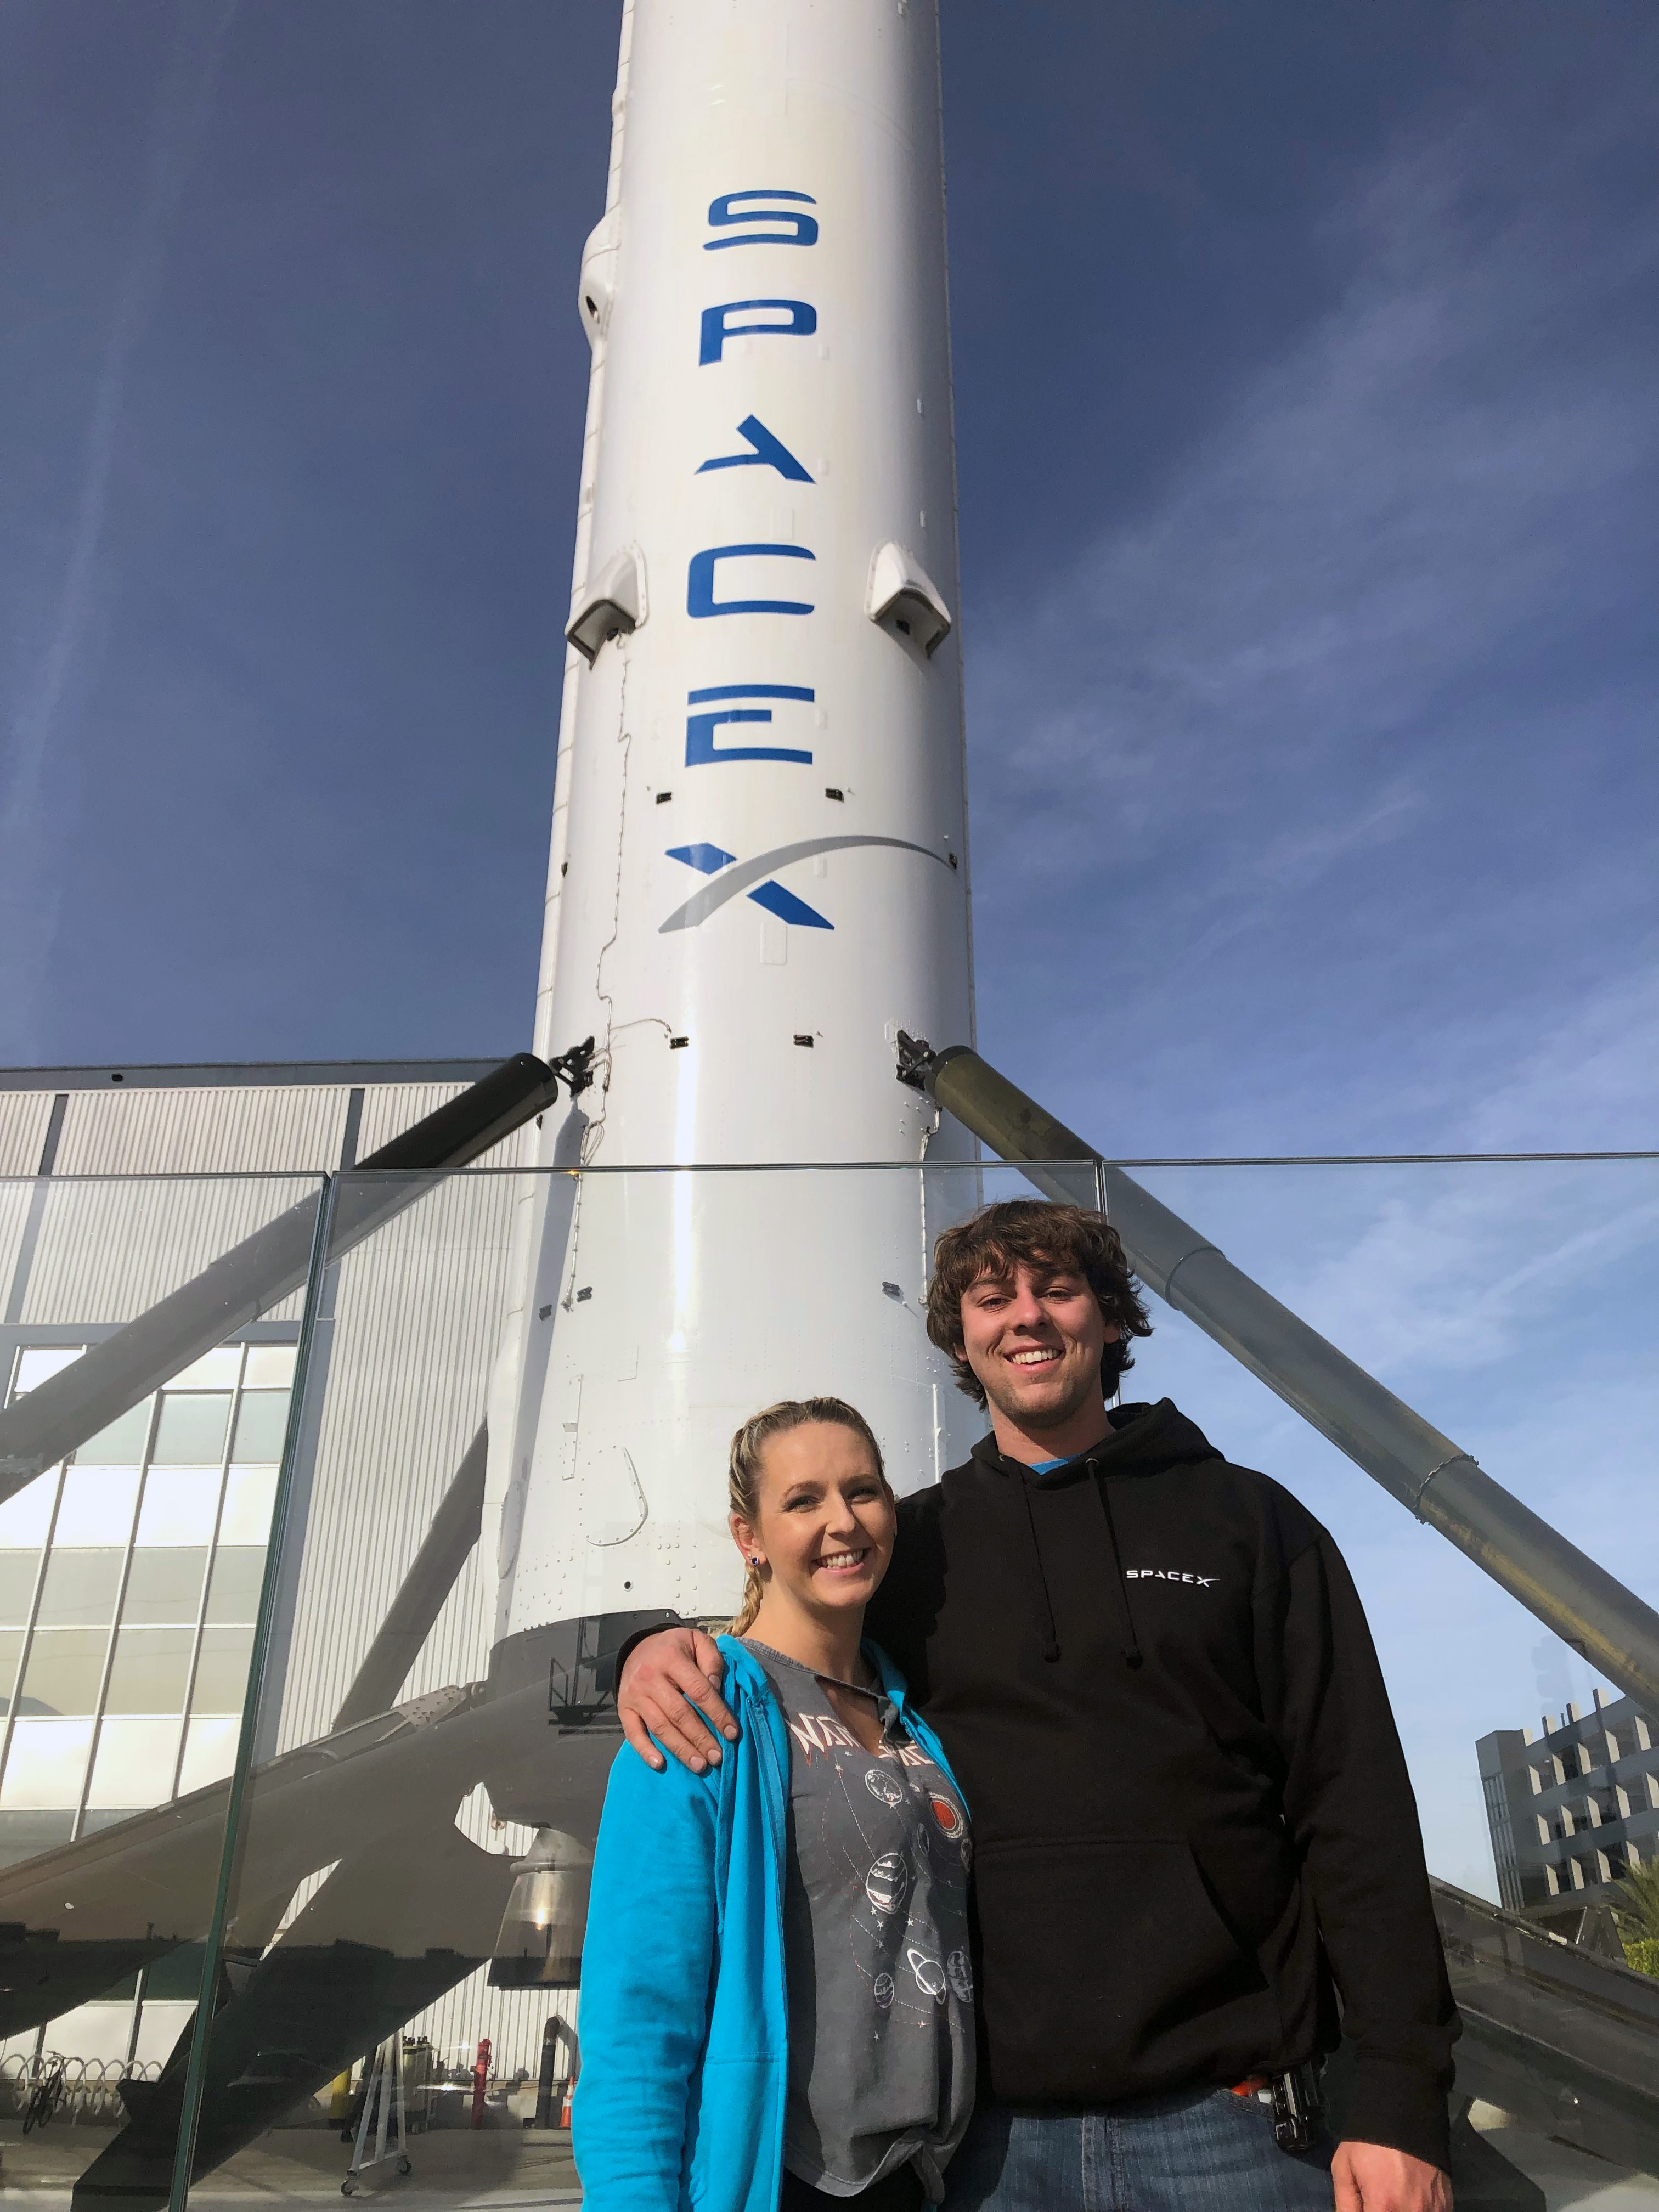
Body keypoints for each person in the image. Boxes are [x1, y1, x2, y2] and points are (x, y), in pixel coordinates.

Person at [616, 1202, 1460, 2212]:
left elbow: (1355, 1811)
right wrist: (652, 1646)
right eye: (993, 1299)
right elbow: (796, 1626)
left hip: (1233, 2126)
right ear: (962, 1340)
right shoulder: (910, 1547)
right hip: (984, 2149)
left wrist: (1399, 2100)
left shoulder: (1252, 1524)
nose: (1027, 1318)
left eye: (1058, 1290)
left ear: (1109, 1320)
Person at [575, 1397, 975, 2212]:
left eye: (863, 1491)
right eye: (804, 1500)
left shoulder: (914, 1723)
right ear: (748, 1537)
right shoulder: (699, 1714)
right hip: (790, 2181)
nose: (844, 1521)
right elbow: (637, 2021)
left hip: (929, 2179)